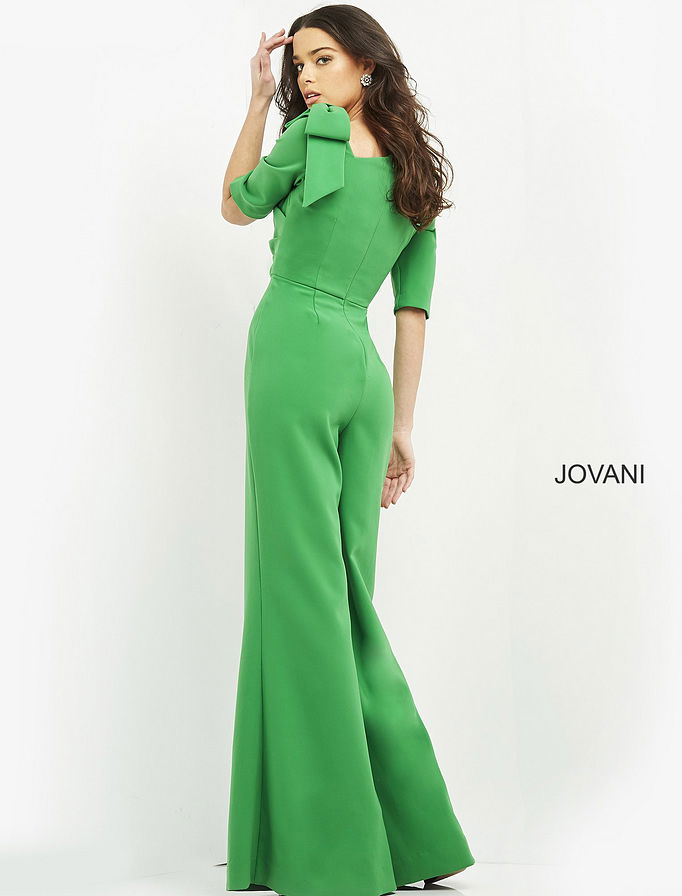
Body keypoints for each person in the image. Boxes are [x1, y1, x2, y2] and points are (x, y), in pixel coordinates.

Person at [220, 7, 475, 896]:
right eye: (297, 67)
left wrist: (257, 104)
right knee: (347, 596)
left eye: (322, 59)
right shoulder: (417, 176)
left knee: (301, 596)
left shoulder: (315, 136)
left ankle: (332, 851)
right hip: (363, 374)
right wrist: (402, 426)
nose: (307, 79)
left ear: (367, 65)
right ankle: (412, 836)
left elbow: (235, 203)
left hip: (295, 350)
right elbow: (412, 314)